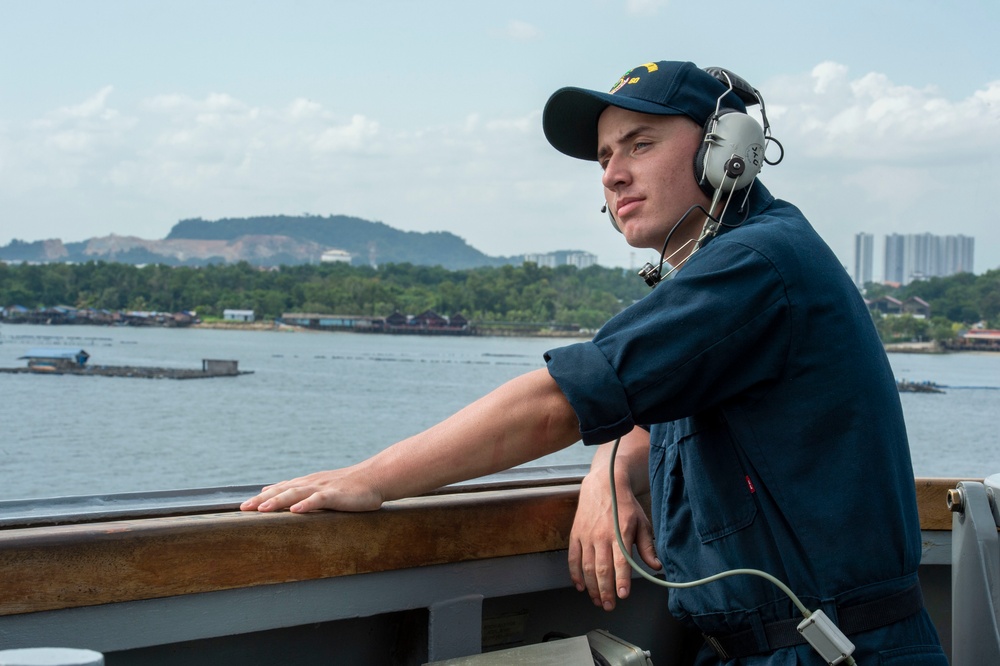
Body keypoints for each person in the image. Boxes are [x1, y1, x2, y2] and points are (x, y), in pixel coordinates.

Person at [242, 60, 947, 664]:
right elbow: (656, 409)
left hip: (828, 649)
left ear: (726, 153)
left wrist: (370, 480)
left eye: (639, 145)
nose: (613, 174)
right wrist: (606, 472)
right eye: (605, 156)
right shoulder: (735, 268)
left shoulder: (755, 265)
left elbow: (556, 402)